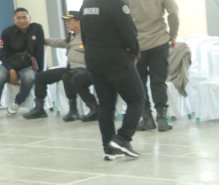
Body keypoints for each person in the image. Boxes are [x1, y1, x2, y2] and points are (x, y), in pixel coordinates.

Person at [80, 0, 145, 160]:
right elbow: (129, 32)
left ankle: (109, 148)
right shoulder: (116, 4)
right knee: (137, 99)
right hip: (115, 58)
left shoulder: (86, 4)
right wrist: (135, 52)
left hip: (93, 58)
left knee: (105, 105)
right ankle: (122, 138)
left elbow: (84, 34)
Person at [23, 11, 98, 122]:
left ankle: (75, 110)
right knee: (41, 77)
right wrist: (42, 40)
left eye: (69, 21)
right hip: (70, 68)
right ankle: (39, 108)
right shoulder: (71, 37)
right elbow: (58, 42)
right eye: (66, 21)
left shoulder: (88, 36)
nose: (67, 23)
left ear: (78, 22)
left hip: (83, 68)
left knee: (68, 77)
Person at [125, 0, 180, 132]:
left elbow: (121, 15)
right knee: (159, 81)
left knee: (139, 82)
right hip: (159, 41)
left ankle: (147, 118)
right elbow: (173, 12)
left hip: (137, 44)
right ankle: (162, 119)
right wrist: (173, 35)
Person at [0, 8, 44, 120]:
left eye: (24, 17)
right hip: (9, 64)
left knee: (29, 78)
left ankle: (17, 103)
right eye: (19, 18)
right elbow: (2, 55)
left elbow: (39, 51)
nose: (22, 20)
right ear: (14, 19)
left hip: (28, 64)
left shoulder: (37, 28)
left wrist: (40, 70)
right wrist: (11, 69)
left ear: (29, 18)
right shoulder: (6, 32)